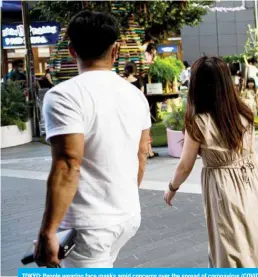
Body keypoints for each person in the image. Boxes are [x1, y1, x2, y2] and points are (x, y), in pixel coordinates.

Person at [35, 11, 151, 268]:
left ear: (71, 50)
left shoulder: (64, 96)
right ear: (116, 49)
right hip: (128, 216)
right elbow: (142, 152)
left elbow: (67, 163)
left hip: (90, 225)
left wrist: (48, 231)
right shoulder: (136, 96)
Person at [162, 56, 258, 268]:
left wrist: (172, 188)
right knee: (255, 236)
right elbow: (252, 153)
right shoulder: (244, 111)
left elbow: (185, 165)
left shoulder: (199, 121)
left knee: (229, 242)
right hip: (249, 180)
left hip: (221, 186)